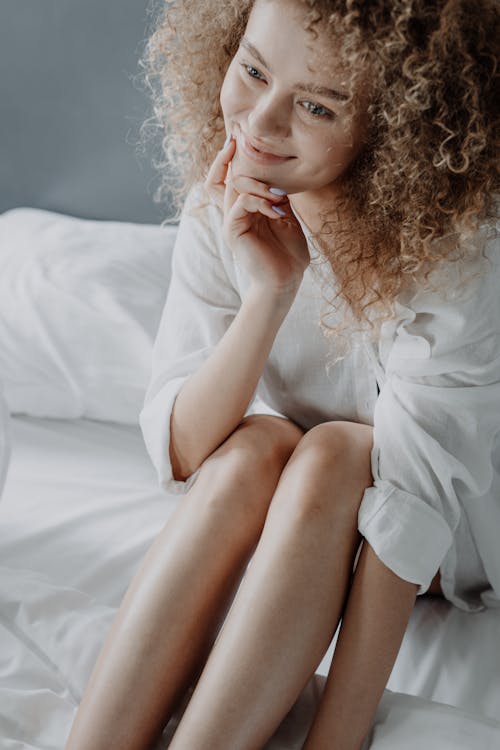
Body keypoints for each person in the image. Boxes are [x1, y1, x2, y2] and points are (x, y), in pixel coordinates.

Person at [64, 1, 499, 748]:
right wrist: (267, 296)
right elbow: (181, 450)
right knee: (254, 448)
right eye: (253, 70)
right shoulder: (233, 193)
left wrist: (335, 741)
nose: (260, 124)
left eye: (316, 105)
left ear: (395, 126)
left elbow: (413, 514)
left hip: (457, 533)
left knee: (334, 450)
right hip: (311, 498)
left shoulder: (457, 253)